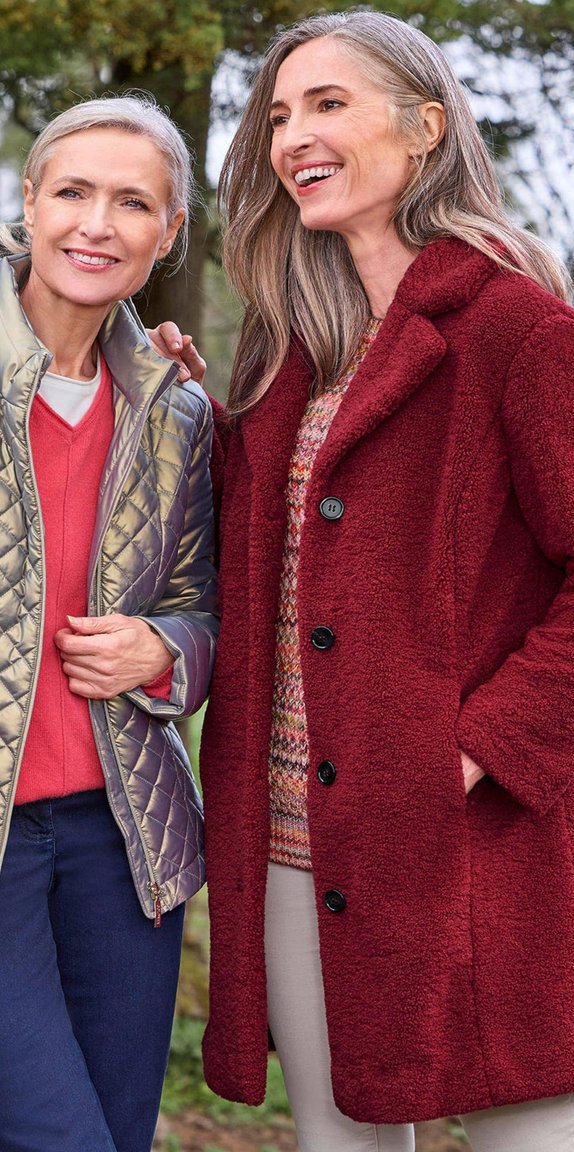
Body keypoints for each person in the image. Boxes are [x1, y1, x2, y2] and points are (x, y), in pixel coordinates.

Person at [162, 10, 574, 1150]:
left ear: (426, 127)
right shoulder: (291, 354)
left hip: (473, 842)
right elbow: (267, 563)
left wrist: (471, 752)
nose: (292, 137)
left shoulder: (519, 332)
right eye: (278, 116)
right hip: (297, 840)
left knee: (525, 1143)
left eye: (328, 104)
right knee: (339, 1139)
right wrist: (166, 403)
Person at [0, 95, 217, 1152]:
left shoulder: (178, 409)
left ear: (168, 233)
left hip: (125, 840)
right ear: (28, 204)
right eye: (73, 193)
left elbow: (203, 601)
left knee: (119, 1134)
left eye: (132, 203)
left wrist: (166, 651)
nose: (96, 224)